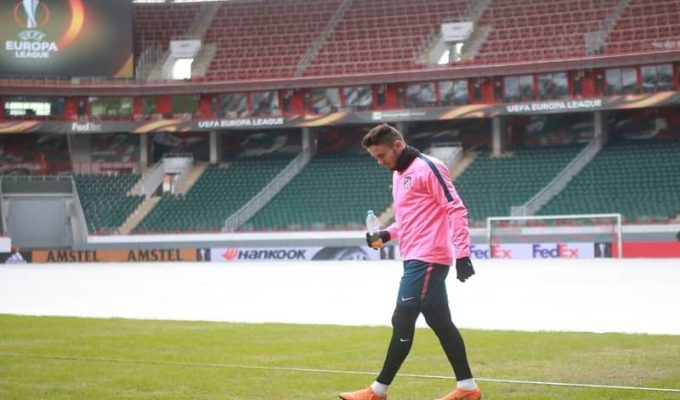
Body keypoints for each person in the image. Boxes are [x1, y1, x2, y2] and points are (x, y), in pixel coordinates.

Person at [339, 124, 480, 400]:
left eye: (382, 156)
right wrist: (386, 234)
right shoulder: (398, 174)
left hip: (428, 258)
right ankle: (467, 388)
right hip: (414, 257)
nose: (380, 162)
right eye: (375, 158)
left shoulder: (429, 167)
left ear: (398, 146)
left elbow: (456, 207)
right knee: (440, 322)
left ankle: (377, 392)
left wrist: (463, 255)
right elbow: (407, 223)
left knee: (402, 317)